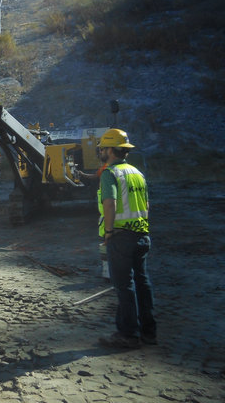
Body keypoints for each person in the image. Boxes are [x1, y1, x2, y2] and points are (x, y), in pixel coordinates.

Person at [96, 128, 156, 349]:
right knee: (142, 283)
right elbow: (146, 205)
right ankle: (149, 332)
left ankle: (128, 334)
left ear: (111, 150)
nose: (101, 151)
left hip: (121, 237)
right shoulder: (136, 173)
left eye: (102, 148)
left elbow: (109, 203)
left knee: (124, 286)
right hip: (142, 234)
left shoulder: (110, 173)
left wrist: (109, 232)